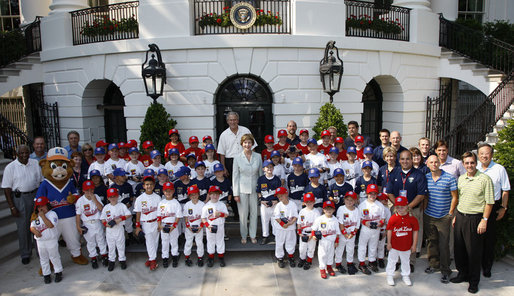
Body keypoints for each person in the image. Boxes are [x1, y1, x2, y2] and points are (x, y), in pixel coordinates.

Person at [451, 152, 494, 294]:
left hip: (475, 219)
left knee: (473, 252)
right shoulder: (461, 179)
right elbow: (460, 199)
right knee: (459, 249)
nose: (469, 165)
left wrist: (484, 220)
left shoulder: (485, 179)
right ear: (463, 164)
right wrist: (456, 215)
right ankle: (462, 274)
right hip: (461, 217)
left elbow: (489, 202)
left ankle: (474, 281)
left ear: (476, 163)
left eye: (472, 162)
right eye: (467, 163)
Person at [2, 144, 43, 264]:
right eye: (22, 153)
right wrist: (12, 207)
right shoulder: (11, 167)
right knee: (23, 227)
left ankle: (40, 250)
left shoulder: (35, 164)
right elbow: (6, 189)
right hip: (20, 199)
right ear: (17, 154)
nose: (24, 155)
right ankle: (25, 253)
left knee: (37, 224)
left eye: (26, 153)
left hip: (34, 195)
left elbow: (40, 181)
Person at [386, 150, 427, 269]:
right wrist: (399, 207)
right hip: (397, 209)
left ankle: (411, 261)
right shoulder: (394, 173)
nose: (405, 161)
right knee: (397, 234)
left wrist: (408, 207)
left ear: (412, 159)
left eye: (408, 159)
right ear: (399, 160)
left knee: (412, 234)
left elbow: (421, 195)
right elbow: (389, 192)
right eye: (402, 159)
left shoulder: (419, 174)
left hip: (413, 209)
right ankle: (398, 260)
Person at [477, 143, 510, 278]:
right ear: (478, 155)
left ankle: (486, 266)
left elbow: (505, 190)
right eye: (482, 153)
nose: (484, 156)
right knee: (475, 237)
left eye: (487, 153)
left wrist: (503, 207)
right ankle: (475, 263)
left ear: (492, 155)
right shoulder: (475, 167)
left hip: (493, 205)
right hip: (476, 205)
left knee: (488, 239)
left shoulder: (499, 169)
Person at [424, 155, 458, 283]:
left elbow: (455, 197)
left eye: (436, 162)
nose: (434, 164)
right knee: (431, 241)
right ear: (427, 164)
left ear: (440, 163)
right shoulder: (426, 178)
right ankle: (434, 264)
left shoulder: (449, 178)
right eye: (431, 162)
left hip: (444, 217)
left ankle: (445, 270)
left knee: (444, 245)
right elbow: (425, 196)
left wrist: (450, 213)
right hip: (429, 215)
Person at [232, 133, 262, 244]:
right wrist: (236, 193)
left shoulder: (258, 156)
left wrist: (260, 191)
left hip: (254, 189)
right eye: (245, 142)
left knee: (254, 213)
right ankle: (244, 235)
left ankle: (253, 235)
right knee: (243, 215)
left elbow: (260, 175)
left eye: (249, 142)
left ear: (252, 144)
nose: (247, 144)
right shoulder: (237, 158)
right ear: (242, 144)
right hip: (242, 189)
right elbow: (235, 176)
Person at [386, 196, 419, 287]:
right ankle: (390, 275)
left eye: (402, 207)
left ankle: (405, 275)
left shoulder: (412, 219)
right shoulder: (393, 218)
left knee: (405, 261)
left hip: (406, 245)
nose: (400, 209)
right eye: (398, 207)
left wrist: (414, 245)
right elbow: (389, 231)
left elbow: (415, 232)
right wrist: (388, 243)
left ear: (407, 207)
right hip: (394, 245)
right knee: (392, 260)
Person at [75, 180, 108, 269]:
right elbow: (78, 215)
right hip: (87, 224)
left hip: (97, 222)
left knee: (101, 239)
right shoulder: (80, 200)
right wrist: (78, 226)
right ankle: (93, 257)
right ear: (83, 190)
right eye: (87, 190)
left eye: (91, 189)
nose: (89, 192)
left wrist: (95, 200)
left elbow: (102, 209)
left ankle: (104, 255)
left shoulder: (96, 196)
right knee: (90, 242)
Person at [30, 196, 63, 284]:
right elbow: (32, 227)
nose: (41, 208)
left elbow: (51, 225)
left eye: (43, 206)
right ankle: (46, 274)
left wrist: (43, 217)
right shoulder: (35, 216)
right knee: (43, 258)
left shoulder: (52, 214)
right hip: (40, 241)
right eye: (39, 206)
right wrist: (35, 231)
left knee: (54, 257)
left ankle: (58, 272)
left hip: (51, 240)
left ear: (47, 205)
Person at [358, 184, 387, 275]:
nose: (372, 195)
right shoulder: (362, 205)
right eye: (370, 193)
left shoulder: (380, 205)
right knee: (362, 245)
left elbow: (383, 218)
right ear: (367, 193)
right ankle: (361, 263)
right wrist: (365, 223)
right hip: (366, 228)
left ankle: (371, 261)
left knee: (373, 246)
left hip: (376, 228)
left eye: (374, 194)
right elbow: (359, 218)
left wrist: (380, 223)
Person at [134, 175, 162, 271]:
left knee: (154, 241)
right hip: (145, 222)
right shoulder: (140, 198)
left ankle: (151, 258)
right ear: (143, 186)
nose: (149, 186)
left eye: (150, 184)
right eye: (147, 184)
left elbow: (160, 212)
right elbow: (138, 212)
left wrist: (159, 223)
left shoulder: (157, 197)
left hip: (155, 221)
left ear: (154, 186)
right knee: (149, 241)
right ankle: (153, 260)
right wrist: (138, 226)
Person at [101, 188, 131, 271]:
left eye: (114, 196)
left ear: (117, 196)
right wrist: (105, 224)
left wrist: (120, 219)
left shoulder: (121, 206)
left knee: (120, 245)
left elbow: (128, 214)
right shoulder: (106, 207)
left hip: (119, 228)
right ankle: (112, 261)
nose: (112, 198)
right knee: (111, 246)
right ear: (108, 198)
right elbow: (103, 218)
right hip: (110, 230)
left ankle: (122, 260)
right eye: (110, 197)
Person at [312, 200, 340, 279]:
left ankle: (329, 267)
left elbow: (337, 232)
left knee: (330, 255)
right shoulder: (320, 219)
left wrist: (337, 241)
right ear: (323, 210)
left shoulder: (335, 220)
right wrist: (314, 235)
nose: (328, 210)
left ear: (334, 210)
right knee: (322, 255)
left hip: (332, 241)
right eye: (326, 208)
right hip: (323, 241)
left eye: (330, 208)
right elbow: (314, 229)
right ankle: (322, 268)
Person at [202, 185, 229, 267]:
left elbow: (226, 215)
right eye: (213, 194)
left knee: (220, 241)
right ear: (209, 195)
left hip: (220, 226)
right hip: (210, 227)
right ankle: (211, 257)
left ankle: (221, 257)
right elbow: (203, 218)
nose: (215, 196)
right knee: (210, 242)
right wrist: (207, 226)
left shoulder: (221, 204)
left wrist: (220, 214)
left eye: (217, 194)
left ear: (219, 195)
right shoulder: (206, 205)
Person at [335, 191, 360, 275]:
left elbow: (357, 224)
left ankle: (350, 263)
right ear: (344, 200)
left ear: (355, 201)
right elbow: (340, 223)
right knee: (340, 249)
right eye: (347, 199)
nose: (349, 202)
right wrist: (345, 233)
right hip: (342, 233)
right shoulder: (341, 209)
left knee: (350, 249)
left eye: (352, 200)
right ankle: (338, 264)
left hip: (352, 234)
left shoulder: (357, 210)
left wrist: (352, 234)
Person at [158, 182, 182, 268]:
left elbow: (178, 216)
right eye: (166, 191)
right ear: (163, 191)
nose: (168, 192)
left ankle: (175, 257)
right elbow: (159, 215)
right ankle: (165, 258)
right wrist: (160, 225)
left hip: (173, 225)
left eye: (170, 190)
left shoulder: (176, 203)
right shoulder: (161, 203)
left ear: (173, 191)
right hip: (164, 225)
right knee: (164, 243)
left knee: (174, 242)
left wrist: (174, 226)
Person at [257, 160, 281, 245]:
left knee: (275, 220)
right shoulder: (261, 179)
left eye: (271, 167)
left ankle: (275, 235)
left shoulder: (277, 179)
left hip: (274, 203)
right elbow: (259, 191)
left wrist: (276, 201)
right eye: (267, 167)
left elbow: (279, 192)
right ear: (264, 169)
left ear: (273, 168)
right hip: (264, 202)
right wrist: (261, 200)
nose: (269, 169)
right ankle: (265, 236)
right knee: (264, 220)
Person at [273, 187, 298, 268]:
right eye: (278, 196)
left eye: (281, 196)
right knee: (279, 242)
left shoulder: (293, 204)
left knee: (291, 241)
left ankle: (290, 256)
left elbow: (295, 216)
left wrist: (291, 222)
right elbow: (277, 217)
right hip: (281, 228)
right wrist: (283, 224)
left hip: (290, 227)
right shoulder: (278, 205)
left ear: (286, 194)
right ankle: (280, 258)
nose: (280, 198)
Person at [183, 185, 205, 267]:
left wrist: (201, 226)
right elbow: (185, 217)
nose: (194, 196)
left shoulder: (202, 204)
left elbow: (204, 216)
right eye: (192, 194)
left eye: (195, 194)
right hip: (190, 227)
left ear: (198, 194)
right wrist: (188, 226)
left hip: (199, 227)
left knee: (199, 243)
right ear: (189, 196)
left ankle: (200, 258)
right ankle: (187, 258)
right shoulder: (187, 205)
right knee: (188, 242)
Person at [297, 192, 320, 270]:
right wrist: (300, 233)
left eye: (311, 201)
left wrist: (312, 235)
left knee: (311, 249)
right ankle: (302, 259)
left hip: (311, 234)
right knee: (302, 248)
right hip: (303, 233)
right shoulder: (302, 211)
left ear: (314, 201)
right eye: (307, 201)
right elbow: (299, 223)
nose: (309, 203)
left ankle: (309, 261)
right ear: (304, 202)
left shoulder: (316, 212)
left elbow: (317, 225)